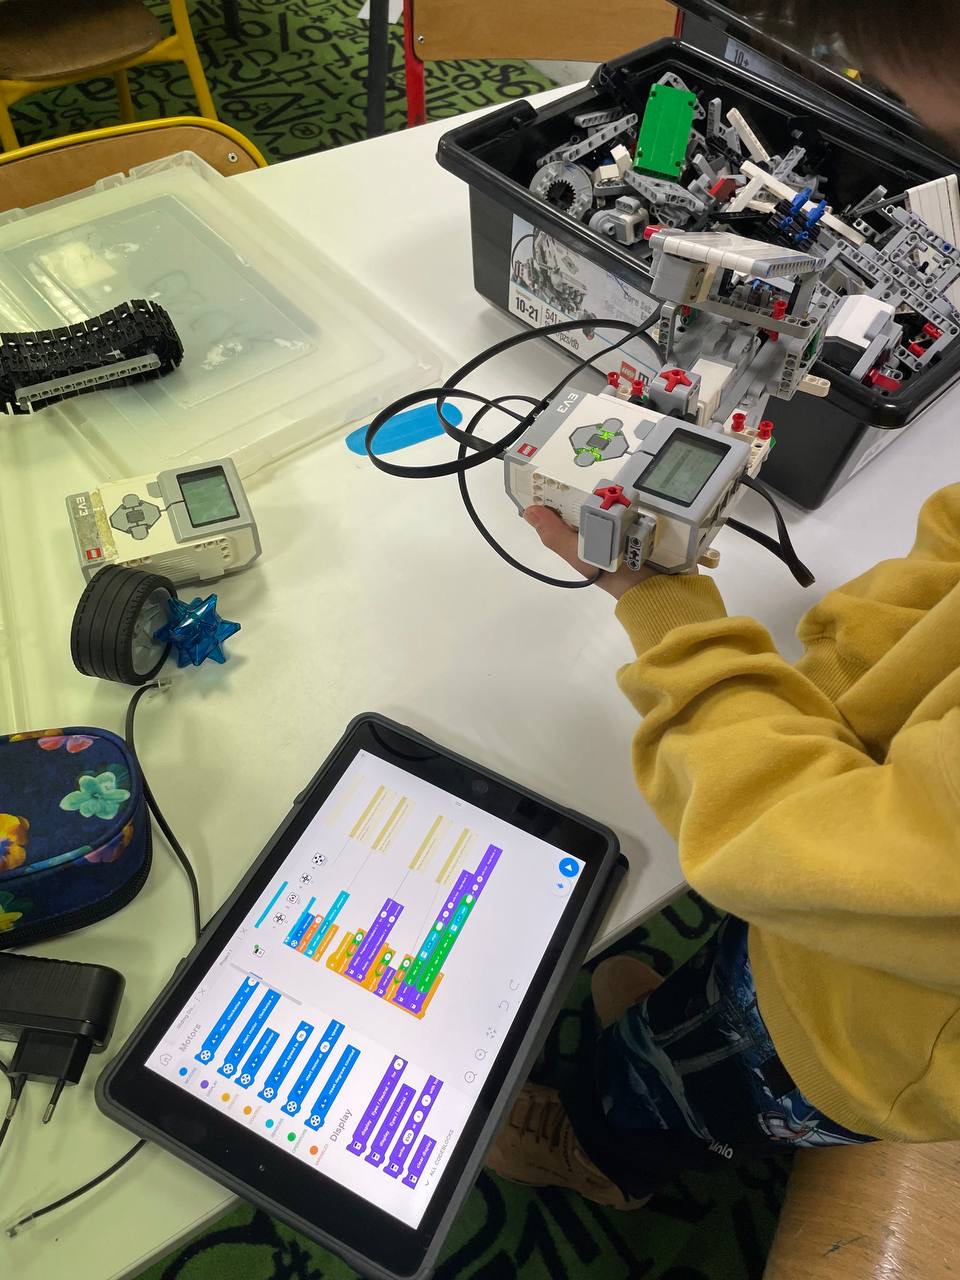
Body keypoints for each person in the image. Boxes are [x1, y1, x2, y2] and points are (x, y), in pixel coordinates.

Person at [486, 0, 960, 1209]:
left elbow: (844, 857)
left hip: (873, 1019)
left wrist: (670, 613)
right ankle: (692, 1011)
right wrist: (817, 696)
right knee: (739, 937)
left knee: (703, 1071)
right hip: (848, 866)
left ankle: (608, 1149)